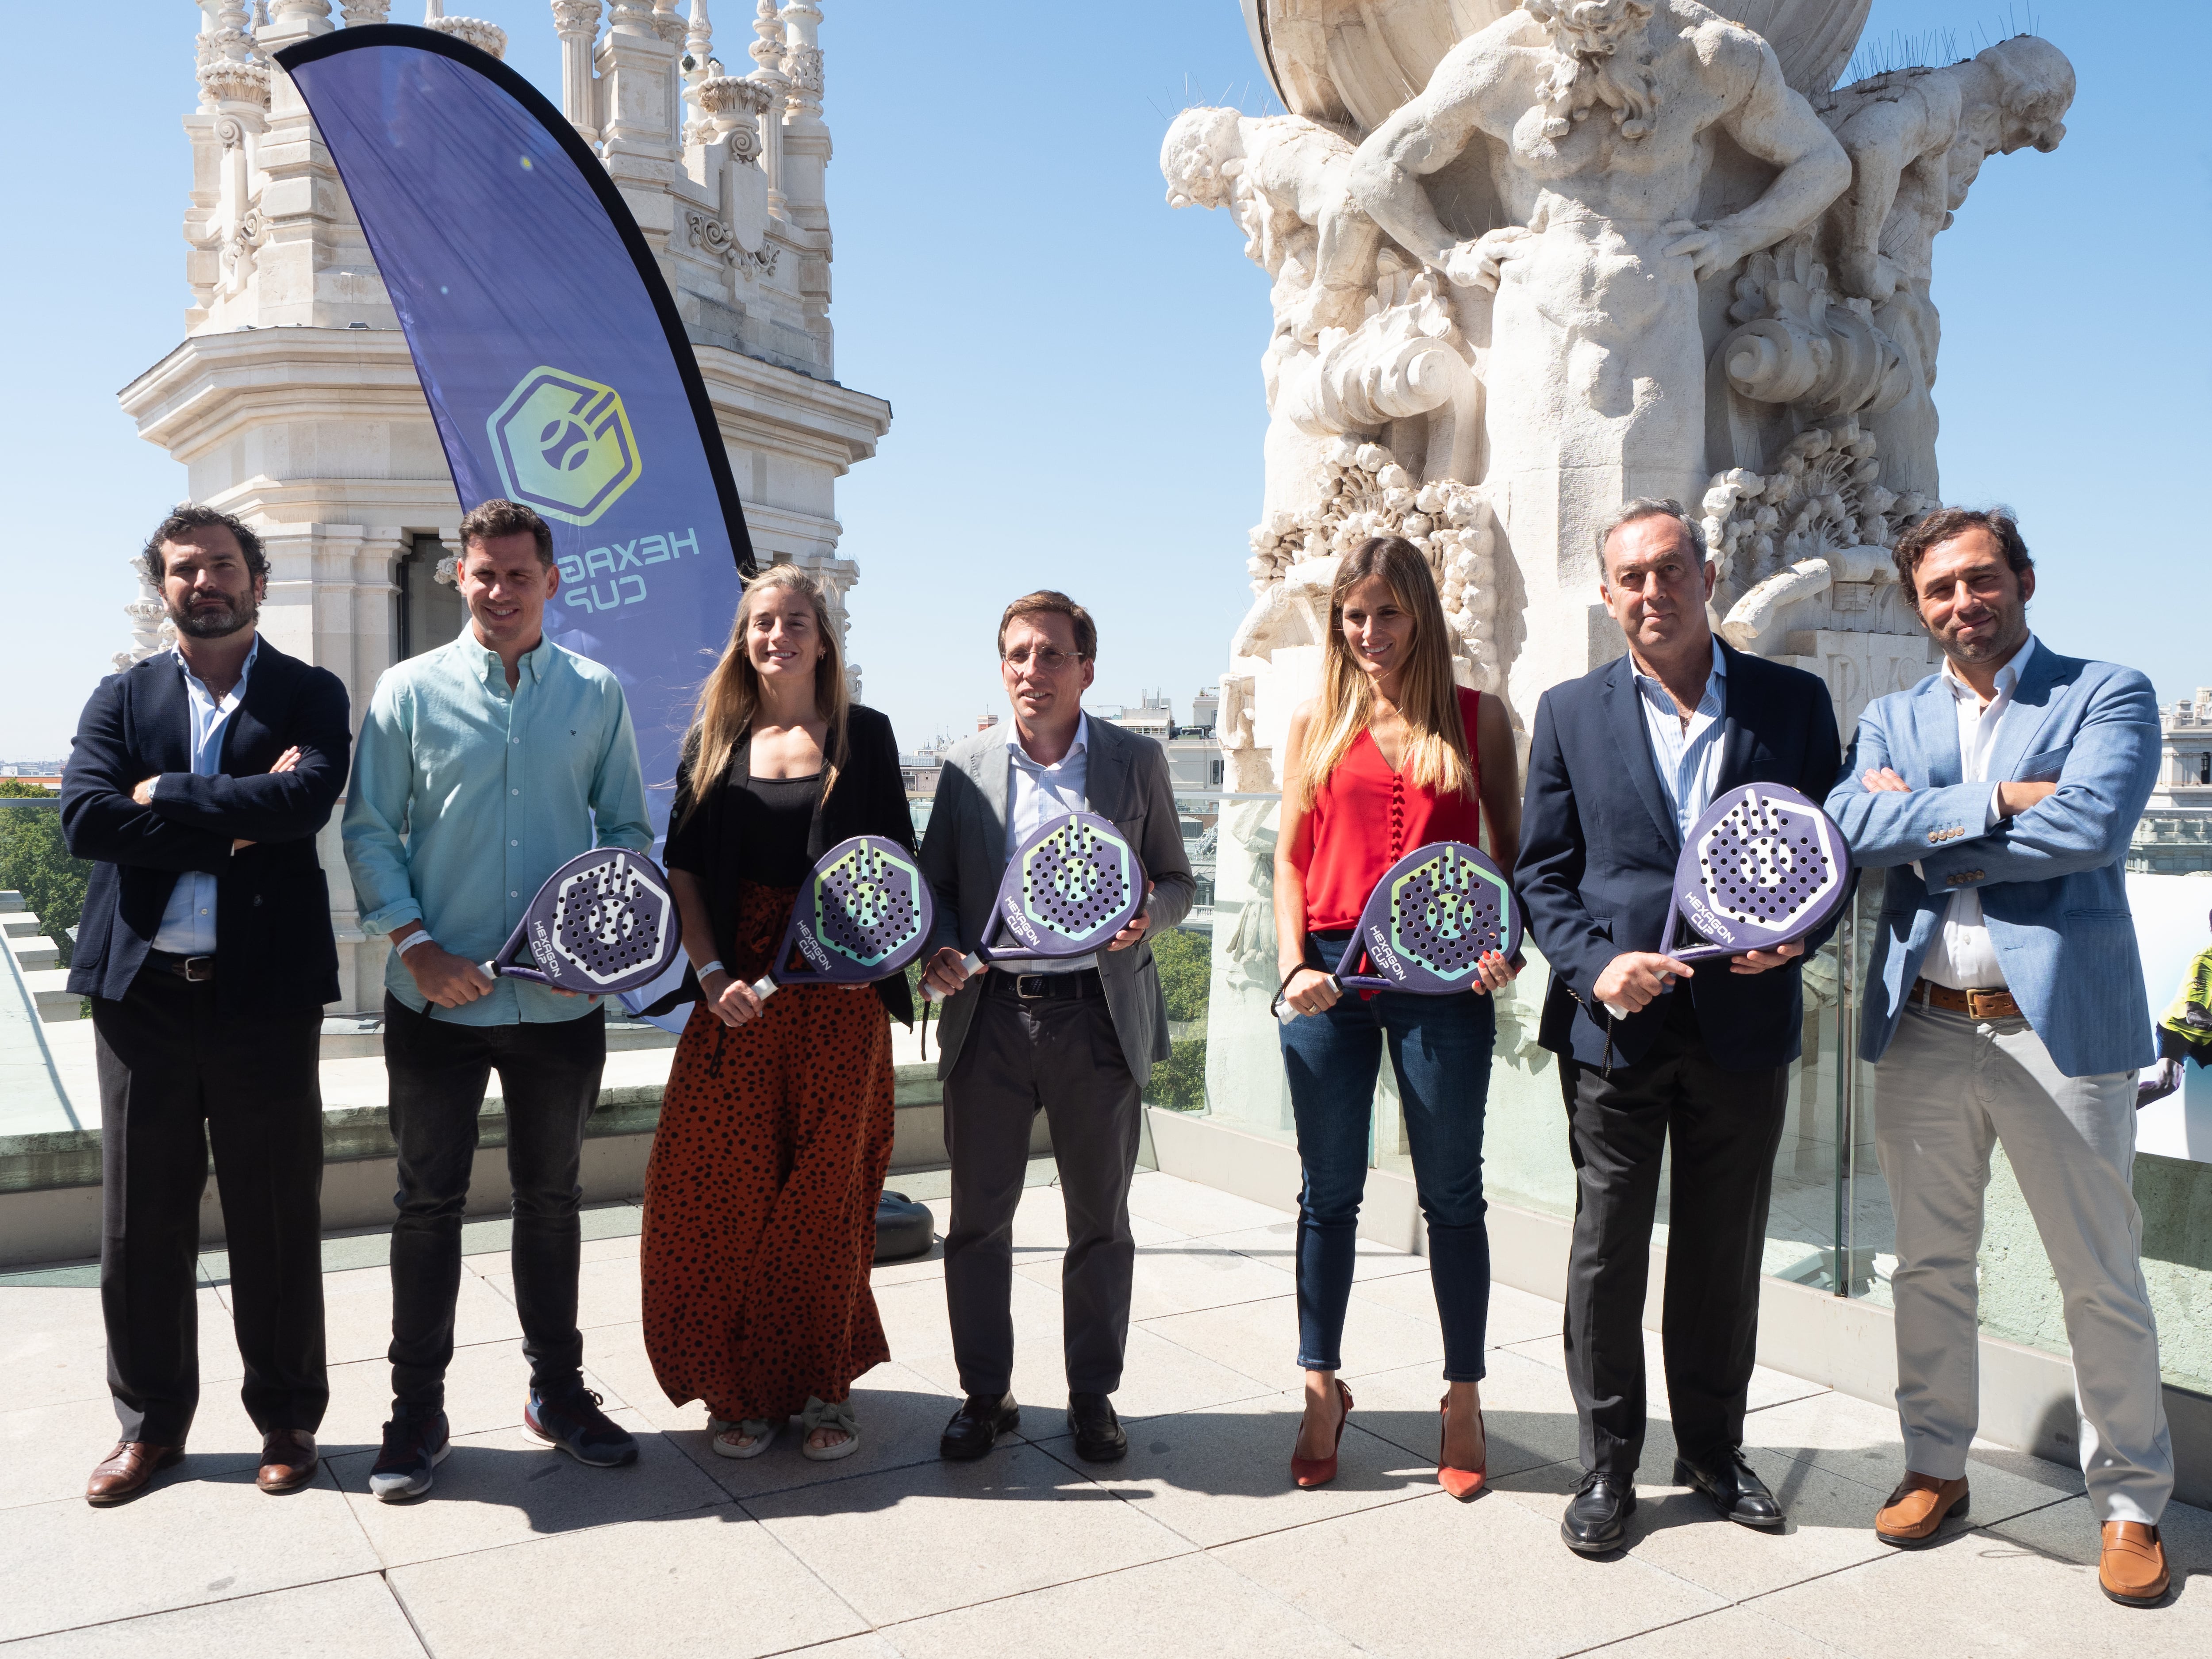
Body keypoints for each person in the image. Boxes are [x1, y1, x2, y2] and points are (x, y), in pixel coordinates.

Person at [1824, 506, 2174, 1607]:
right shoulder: (1891, 711)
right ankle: (1936, 1464)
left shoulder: (2104, 690)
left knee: (2097, 1275)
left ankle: (2128, 1504)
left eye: (1981, 579)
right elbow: (1845, 828)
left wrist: (1922, 822)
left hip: (2056, 1028)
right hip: (1923, 1019)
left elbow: (2089, 831)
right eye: (1938, 589)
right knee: (1928, 1263)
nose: (1962, 604)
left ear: (2023, 578)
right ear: (1917, 604)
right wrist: (1999, 798)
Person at [1517, 498, 1843, 1554]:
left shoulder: (1792, 704)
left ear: (1707, 575)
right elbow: (1543, 872)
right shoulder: (1567, 712)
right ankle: (1607, 1464)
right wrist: (1595, 964)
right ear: (1607, 597)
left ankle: (1711, 1449)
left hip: (1743, 1023)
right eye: (1630, 578)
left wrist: (1795, 936)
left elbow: (1830, 849)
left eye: (1669, 570)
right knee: (1607, 1254)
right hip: (1617, 1029)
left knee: (1721, 1251)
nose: (1651, 592)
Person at [342, 498, 653, 1502]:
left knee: (551, 1199)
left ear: (551, 580)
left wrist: (595, 954)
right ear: (459, 578)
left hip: (559, 1008)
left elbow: (626, 834)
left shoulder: (596, 693)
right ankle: (414, 1410)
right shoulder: (407, 693)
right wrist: (418, 944)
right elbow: (370, 829)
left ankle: (556, 1393)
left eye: (520, 573)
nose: (502, 589)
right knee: (425, 1205)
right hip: (434, 1000)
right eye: (484, 573)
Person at [61, 505, 351, 1504]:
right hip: (141, 993)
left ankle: (287, 1418)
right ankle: (151, 1429)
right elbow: (86, 819)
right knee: (141, 1220)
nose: (206, 581)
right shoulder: (121, 694)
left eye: (223, 564)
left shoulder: (309, 691)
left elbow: (304, 803)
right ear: (164, 586)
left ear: (257, 580)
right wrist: (227, 820)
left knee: (276, 1213)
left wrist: (165, 795)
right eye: (185, 569)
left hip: (262, 996)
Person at [637, 567, 914, 1461]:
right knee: (721, 1196)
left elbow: (893, 867)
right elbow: (683, 869)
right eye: (763, 622)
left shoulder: (865, 738)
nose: (778, 635)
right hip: (736, 997)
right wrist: (712, 971)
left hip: (839, 1000)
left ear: (823, 639)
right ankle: (739, 1390)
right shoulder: (711, 738)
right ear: (743, 637)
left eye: (796, 621)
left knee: (828, 1201)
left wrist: (858, 963)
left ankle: (825, 1386)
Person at [917, 591, 1195, 1464]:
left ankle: (1091, 1397)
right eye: (1016, 656)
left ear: (1085, 668)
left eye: (1049, 655)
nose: (1030, 672)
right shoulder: (962, 766)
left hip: (1097, 1019)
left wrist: (1151, 914)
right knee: (975, 1224)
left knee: (1100, 1223)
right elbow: (939, 893)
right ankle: (984, 1394)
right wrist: (942, 949)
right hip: (989, 1022)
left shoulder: (1134, 761)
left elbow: (1177, 881)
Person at [1273, 536, 1521, 1497]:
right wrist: (1295, 963)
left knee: (1452, 1194)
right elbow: (1290, 860)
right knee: (1326, 1191)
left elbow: (1511, 852)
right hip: (1330, 976)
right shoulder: (1314, 722)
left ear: (1420, 615)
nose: (1368, 633)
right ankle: (1318, 1385)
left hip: (1444, 979)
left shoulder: (1475, 718)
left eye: (1386, 612)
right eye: (1353, 614)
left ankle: (1461, 1395)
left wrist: (1506, 948)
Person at [2139, 909, 2212, 1107]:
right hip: (2178, 1031)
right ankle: (2117, 1109)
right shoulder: (2205, 964)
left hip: (2207, 1036)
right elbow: (2195, 1015)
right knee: (2166, 1085)